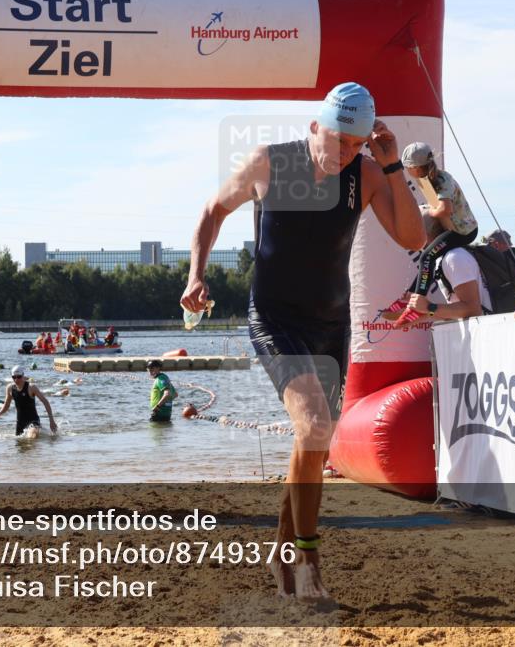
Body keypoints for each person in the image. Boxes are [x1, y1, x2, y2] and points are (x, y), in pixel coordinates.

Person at [180, 82, 426, 601]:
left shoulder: (365, 173)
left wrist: (390, 166)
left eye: (355, 144)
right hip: (275, 316)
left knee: (310, 441)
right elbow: (211, 210)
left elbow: (412, 238)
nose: (342, 153)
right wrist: (195, 277)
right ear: (315, 127)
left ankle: (280, 551)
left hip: (331, 322)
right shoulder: (270, 163)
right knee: (315, 426)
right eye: (336, 140)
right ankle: (306, 560)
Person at [384, 141, 478, 325]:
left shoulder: (441, 179)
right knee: (429, 258)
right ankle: (411, 296)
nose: (407, 171)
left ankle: (416, 304)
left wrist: (426, 212)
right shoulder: (425, 181)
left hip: (465, 232)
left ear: (416, 168)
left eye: (408, 168)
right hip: (453, 228)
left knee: (426, 257)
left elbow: (444, 209)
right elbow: (443, 216)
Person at [0, 365, 58, 436]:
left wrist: (51, 420)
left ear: (23, 376)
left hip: (33, 421)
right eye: (14, 377)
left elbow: (45, 402)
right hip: (20, 422)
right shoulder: (10, 388)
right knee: (20, 443)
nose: (16, 380)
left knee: (31, 436)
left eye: (19, 377)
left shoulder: (31, 387)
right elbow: (7, 405)